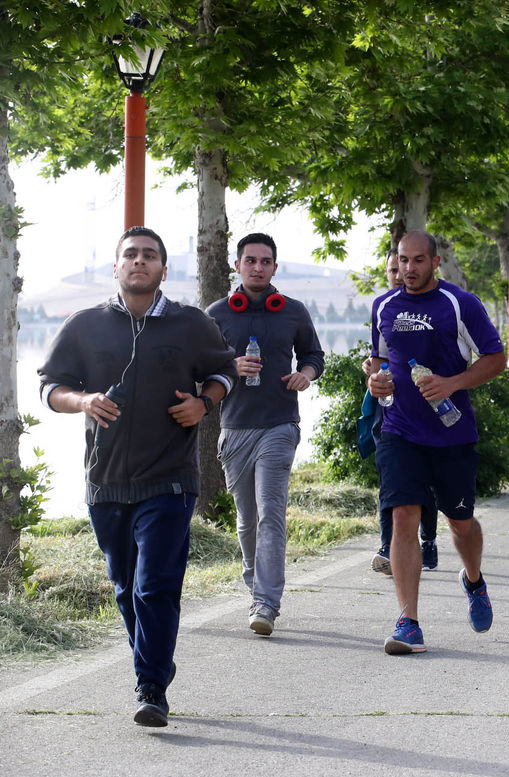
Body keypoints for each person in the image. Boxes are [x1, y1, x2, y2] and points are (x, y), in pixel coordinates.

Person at [38, 226, 237, 727]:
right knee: (126, 589)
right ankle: (156, 662)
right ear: (116, 267)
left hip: (171, 476)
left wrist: (204, 402)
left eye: (150, 255)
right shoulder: (85, 325)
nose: (140, 261)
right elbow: (50, 387)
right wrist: (81, 400)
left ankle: (150, 688)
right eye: (131, 255)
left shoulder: (191, 324)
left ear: (163, 270)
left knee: (155, 586)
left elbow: (224, 372)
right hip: (106, 481)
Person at [366, 231, 506, 655]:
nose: (409, 269)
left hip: (452, 433)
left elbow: (496, 357)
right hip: (399, 429)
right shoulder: (384, 306)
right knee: (404, 517)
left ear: (435, 261)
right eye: (403, 261)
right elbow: (377, 360)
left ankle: (474, 580)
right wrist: (373, 381)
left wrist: (453, 383)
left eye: (418, 260)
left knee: (461, 523)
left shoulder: (460, 303)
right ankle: (408, 621)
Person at [206, 233, 325, 637]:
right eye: (250, 260)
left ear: (275, 267)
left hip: (279, 423)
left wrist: (304, 376)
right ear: (237, 266)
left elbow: (314, 357)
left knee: (270, 511)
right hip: (234, 427)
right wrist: (229, 367)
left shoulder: (292, 312)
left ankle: (266, 604)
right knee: (246, 520)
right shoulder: (217, 313)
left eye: (265, 261)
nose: (258, 267)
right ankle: (255, 589)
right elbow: (195, 368)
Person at [364, 251, 439, 577]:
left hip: (430, 410)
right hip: (390, 412)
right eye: (393, 269)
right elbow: (377, 358)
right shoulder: (382, 306)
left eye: (405, 267)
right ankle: (387, 547)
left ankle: (429, 539)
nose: (399, 274)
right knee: (390, 481)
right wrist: (372, 370)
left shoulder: (432, 307)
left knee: (426, 483)